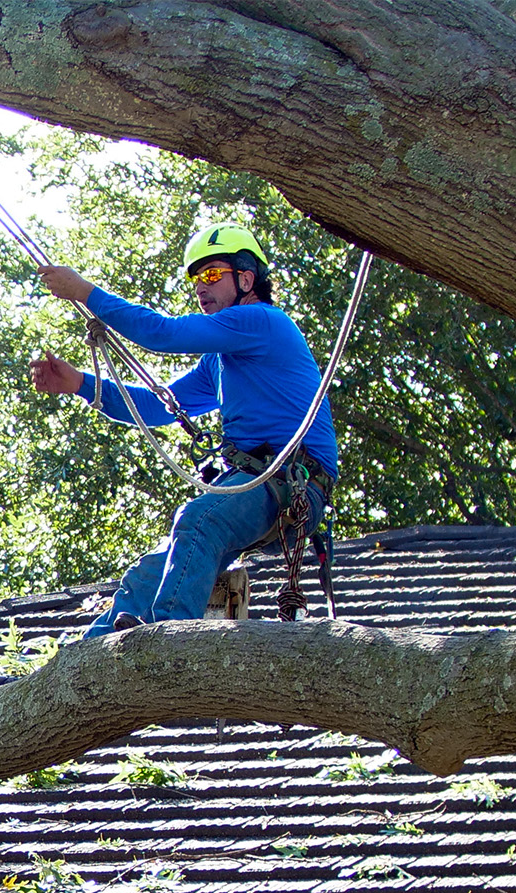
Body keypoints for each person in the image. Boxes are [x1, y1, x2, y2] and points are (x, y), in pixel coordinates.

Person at [29, 222, 338, 636]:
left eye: (212, 275)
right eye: (196, 278)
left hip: (292, 482)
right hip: (255, 482)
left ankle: (166, 639)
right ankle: (82, 660)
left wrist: (85, 291)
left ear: (246, 279)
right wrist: (82, 384)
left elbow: (164, 334)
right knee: (150, 571)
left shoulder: (261, 322)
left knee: (198, 521)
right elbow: (158, 407)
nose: (200, 286)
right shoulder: (219, 360)